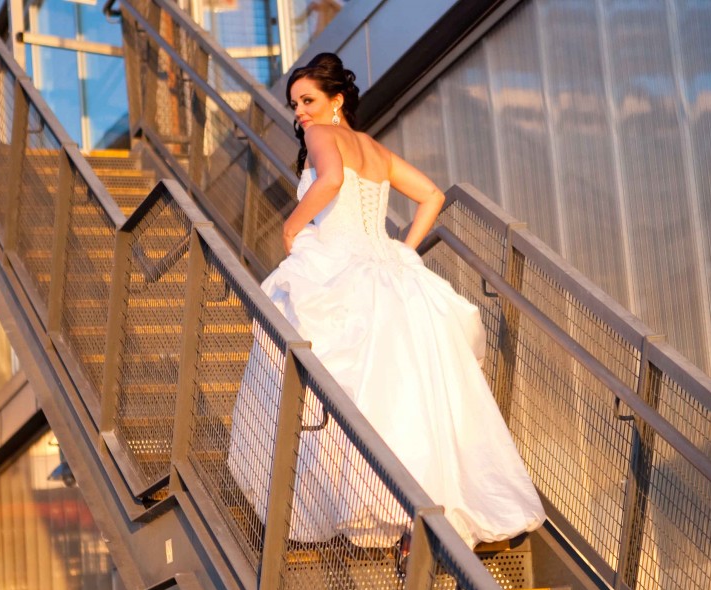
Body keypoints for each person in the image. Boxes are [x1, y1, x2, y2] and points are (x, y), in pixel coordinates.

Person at [228, 53, 545, 552]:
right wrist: (402, 250)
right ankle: (427, 514)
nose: (300, 113)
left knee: (346, 385)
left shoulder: (321, 137)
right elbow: (432, 195)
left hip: (342, 265)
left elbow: (330, 182)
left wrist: (292, 225)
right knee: (408, 398)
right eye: (294, 105)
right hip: (391, 272)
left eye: (308, 101)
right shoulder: (372, 147)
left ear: (337, 100)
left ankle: (379, 507)